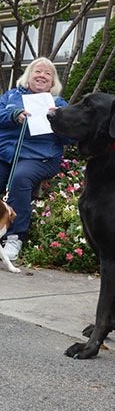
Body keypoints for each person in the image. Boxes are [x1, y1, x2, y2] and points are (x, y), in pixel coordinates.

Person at [0, 57, 71, 262]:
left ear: (52, 83)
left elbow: (71, 137)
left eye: (48, 74)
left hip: (41, 157)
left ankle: (14, 236)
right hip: (6, 154)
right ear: (28, 76)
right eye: (37, 71)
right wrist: (13, 115)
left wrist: (60, 121)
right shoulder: (11, 96)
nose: (42, 75)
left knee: (20, 178)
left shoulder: (58, 104)